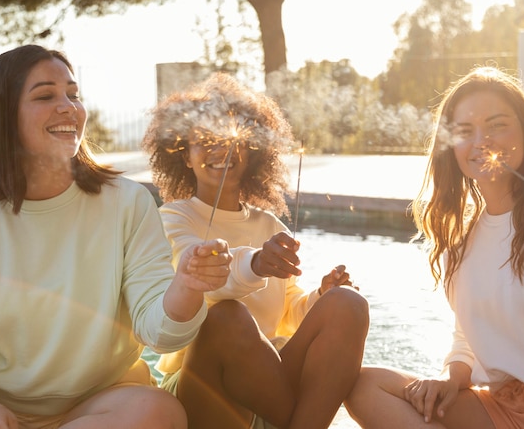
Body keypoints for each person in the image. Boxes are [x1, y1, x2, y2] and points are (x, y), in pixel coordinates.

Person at [0, 44, 233, 429]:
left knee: (159, 412)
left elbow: (159, 333)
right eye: (45, 95)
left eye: (73, 95)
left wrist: (188, 285)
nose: (68, 107)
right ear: (3, 115)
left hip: (102, 406)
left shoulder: (127, 203)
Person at [142, 72, 370, 429]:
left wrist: (321, 296)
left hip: (269, 392)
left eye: (231, 137)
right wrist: (257, 264)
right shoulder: (172, 219)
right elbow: (206, 277)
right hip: (203, 394)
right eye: (204, 139)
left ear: (252, 151)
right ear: (184, 155)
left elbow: (289, 313)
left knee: (348, 305)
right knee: (227, 318)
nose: (220, 148)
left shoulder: (270, 227)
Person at [345, 66, 524, 428]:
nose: (482, 141)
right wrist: (449, 376)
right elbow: (467, 336)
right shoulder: (459, 241)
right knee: (366, 386)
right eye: (465, 131)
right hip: (501, 409)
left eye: (497, 125)